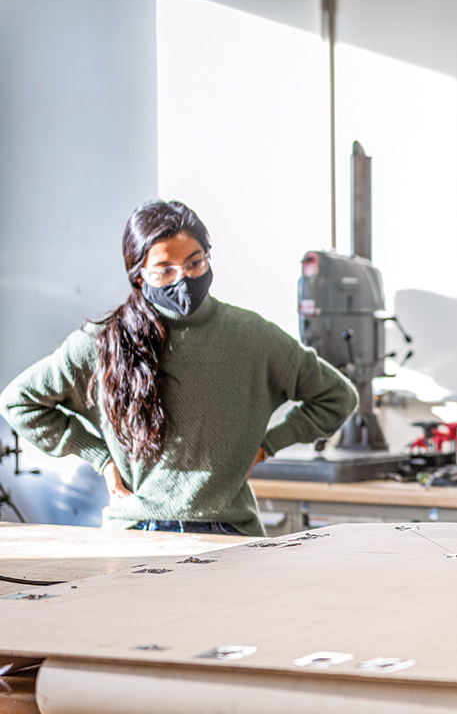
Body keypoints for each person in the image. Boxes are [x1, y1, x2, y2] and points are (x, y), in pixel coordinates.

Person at [0, 200, 358, 536]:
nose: (182, 278)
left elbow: (336, 397)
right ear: (139, 276)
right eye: (165, 269)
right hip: (137, 533)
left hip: (229, 533)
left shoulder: (253, 336)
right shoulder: (102, 342)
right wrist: (99, 457)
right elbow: (19, 403)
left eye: (195, 262)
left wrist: (268, 445)